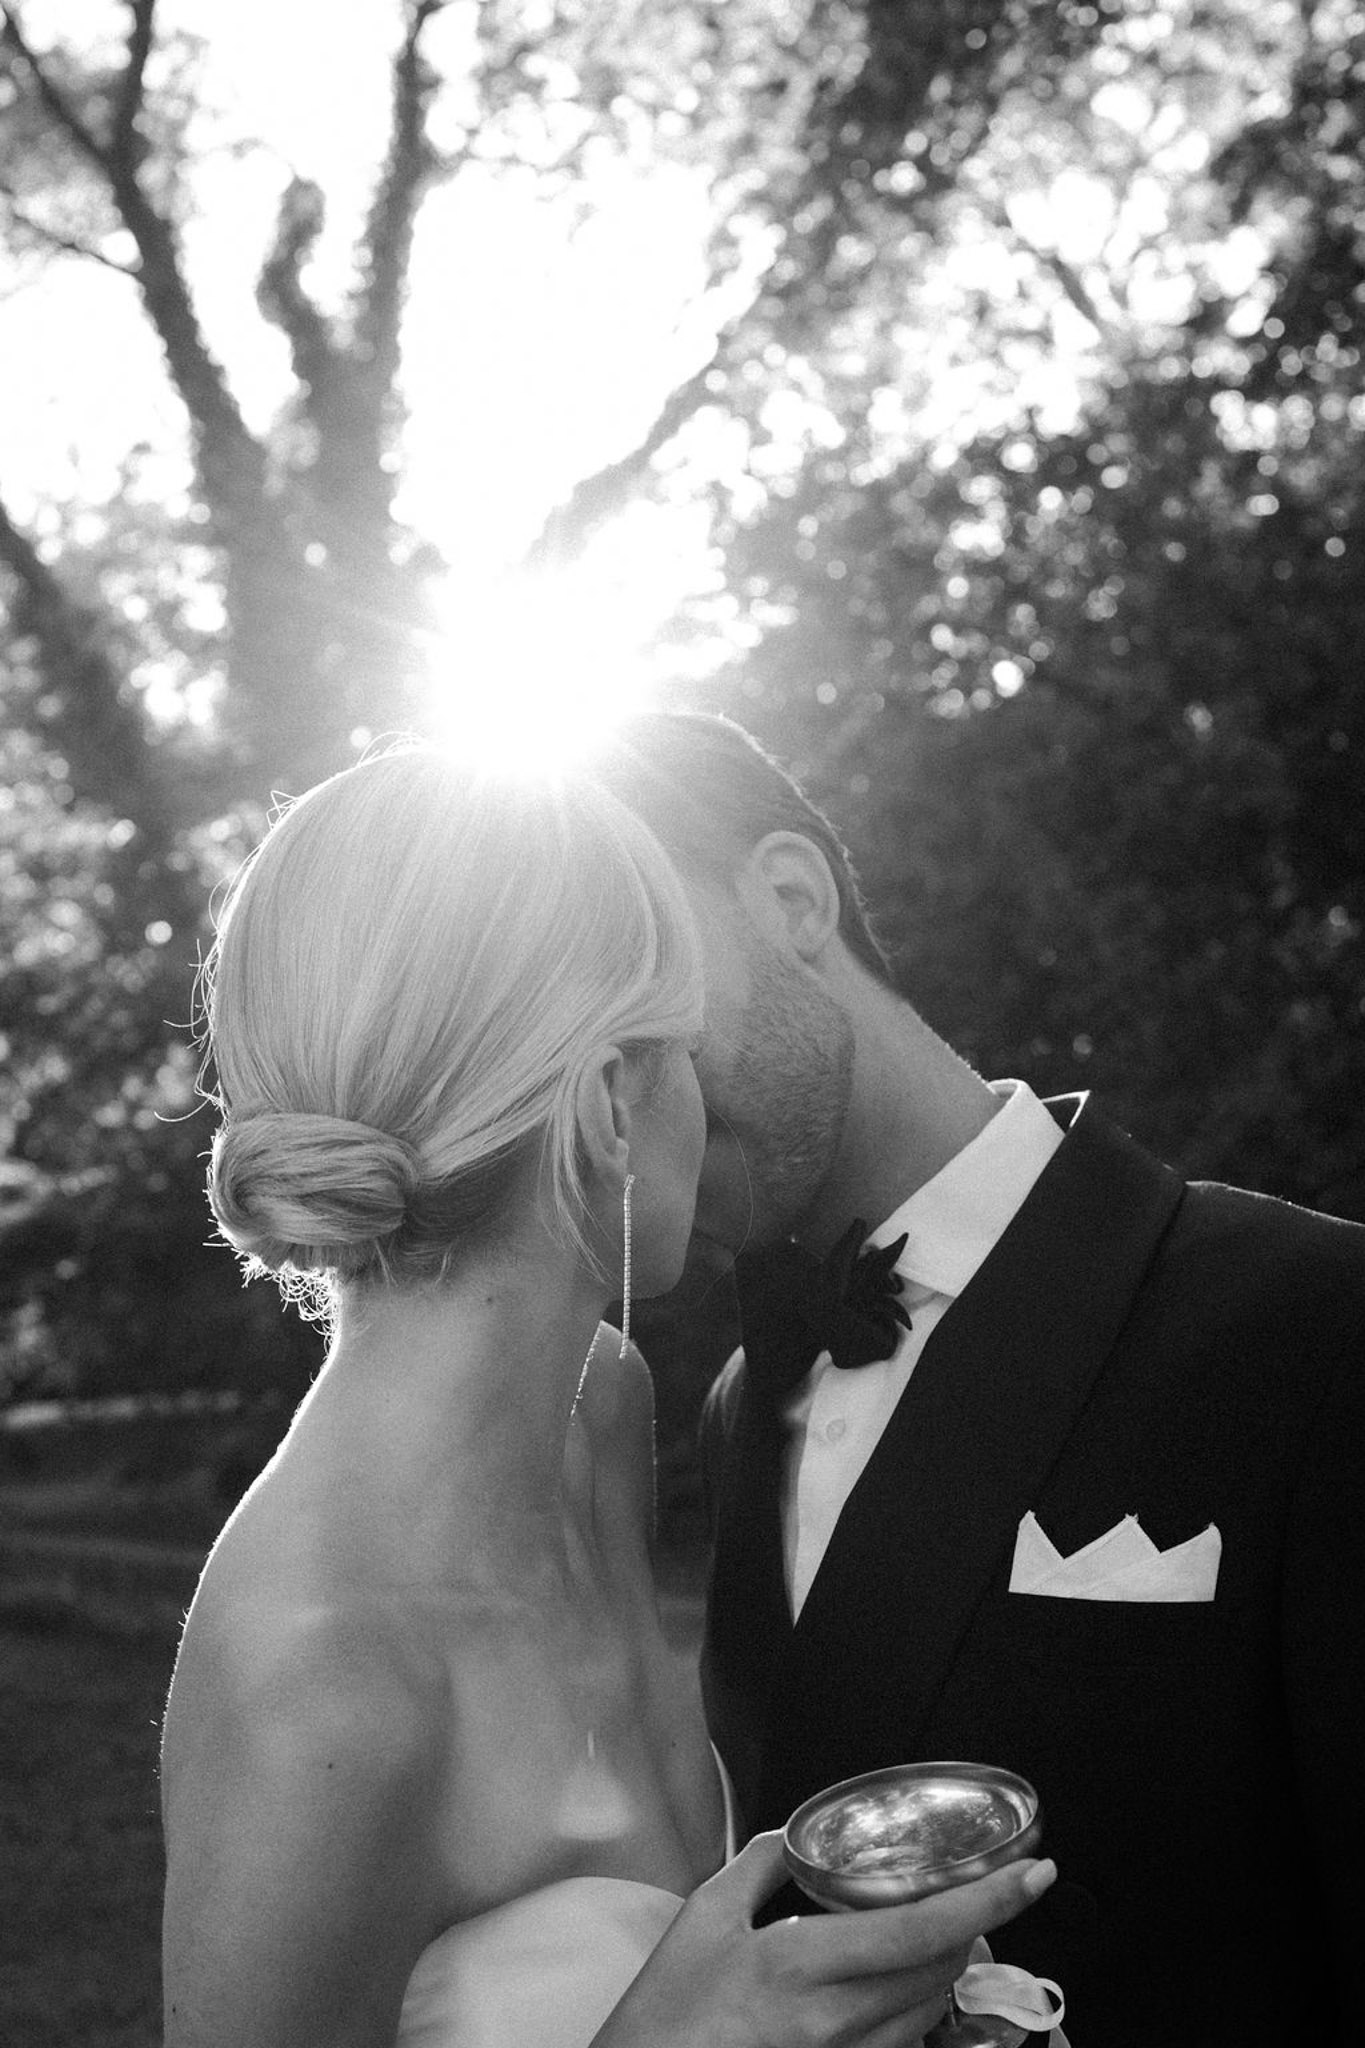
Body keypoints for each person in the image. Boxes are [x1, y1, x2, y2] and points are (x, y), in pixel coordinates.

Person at [159, 745, 1058, 2048]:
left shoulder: (599, 1415)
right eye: (682, 1046)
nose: (704, 1088)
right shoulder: (326, 1678)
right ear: (613, 1108)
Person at [588, 709, 1365, 2048]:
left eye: (635, 1000)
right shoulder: (736, 1403)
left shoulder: (1314, 1326)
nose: (616, 1103)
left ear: (786, 898)